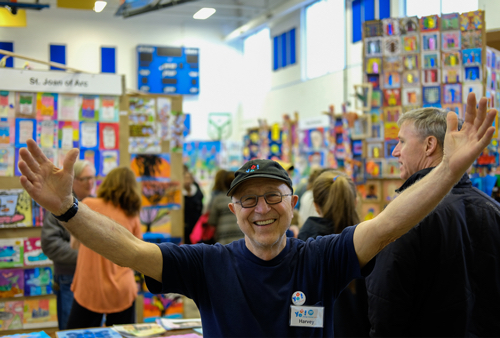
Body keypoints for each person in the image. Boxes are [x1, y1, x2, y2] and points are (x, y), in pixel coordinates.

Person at [18, 94, 496, 337]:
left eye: (273, 196)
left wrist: (448, 172)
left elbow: (391, 222)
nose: (261, 209)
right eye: (248, 199)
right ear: (233, 209)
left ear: (293, 201)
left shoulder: (321, 257)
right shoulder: (209, 265)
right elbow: (128, 248)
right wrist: (67, 208)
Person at [365, 106, 500, 336]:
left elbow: (387, 305)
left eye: (402, 142)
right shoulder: (493, 209)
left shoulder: (407, 215)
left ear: (429, 146)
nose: (395, 152)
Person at [65, 167, 143, 329]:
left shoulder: (88, 205)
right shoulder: (132, 214)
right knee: (123, 334)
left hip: (90, 287)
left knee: (79, 334)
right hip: (122, 288)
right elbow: (138, 254)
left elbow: (74, 244)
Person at [298, 171, 369, 337]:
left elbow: (300, 307)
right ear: (355, 201)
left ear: (316, 205)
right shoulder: (366, 241)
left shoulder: (304, 245)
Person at [40, 160, 95, 330]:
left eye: (92, 178)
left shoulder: (96, 204)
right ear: (73, 180)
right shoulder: (59, 205)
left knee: (96, 331)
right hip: (69, 278)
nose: (90, 183)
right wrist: (85, 256)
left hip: (95, 278)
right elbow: (50, 243)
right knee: (71, 331)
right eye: (85, 179)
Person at [207, 170, 243, 244]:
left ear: (224, 183)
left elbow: (212, 221)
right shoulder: (242, 198)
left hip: (223, 236)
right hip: (241, 234)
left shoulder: (218, 199)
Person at [183, 164, 203, 244]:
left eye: (189, 178)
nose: (187, 180)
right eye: (185, 178)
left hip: (196, 225)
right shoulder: (179, 194)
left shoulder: (196, 190)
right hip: (184, 226)